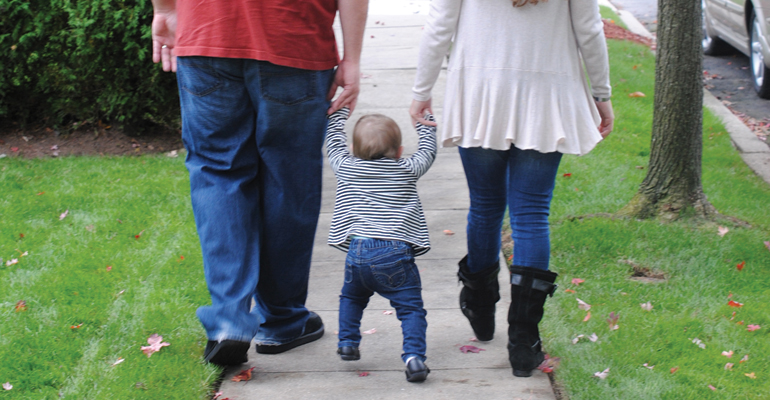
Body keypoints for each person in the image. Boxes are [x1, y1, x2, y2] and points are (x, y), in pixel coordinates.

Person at [149, 0, 368, 366]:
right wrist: (354, 57)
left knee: (218, 172)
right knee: (290, 178)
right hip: (293, 35)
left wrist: (165, 9)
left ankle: (229, 321)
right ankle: (282, 319)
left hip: (207, 28)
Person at [410, 0, 615, 377]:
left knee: (486, 205)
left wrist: (421, 90)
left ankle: (480, 302)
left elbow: (440, 23)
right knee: (532, 215)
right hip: (547, 93)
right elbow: (589, 30)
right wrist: (601, 95)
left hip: (481, 90)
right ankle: (523, 339)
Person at [325, 107, 437, 382]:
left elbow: (333, 143)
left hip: (358, 252)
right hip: (394, 253)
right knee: (410, 308)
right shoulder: (406, 168)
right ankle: (413, 358)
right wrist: (426, 124)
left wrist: (337, 116)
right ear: (399, 151)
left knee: (351, 297)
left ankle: (348, 343)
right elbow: (427, 152)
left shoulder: (345, 166)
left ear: (353, 149)